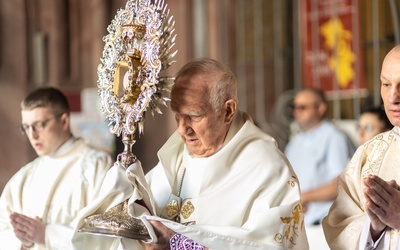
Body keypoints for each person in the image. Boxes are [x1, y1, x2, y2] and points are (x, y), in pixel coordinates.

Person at [72, 58, 309, 249]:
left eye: (194, 116)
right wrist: (128, 195)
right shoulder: (177, 155)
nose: (182, 129)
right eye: (177, 116)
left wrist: (179, 243)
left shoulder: (267, 167)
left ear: (227, 111)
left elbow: (272, 246)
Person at [0, 87, 113, 249]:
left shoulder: (96, 166)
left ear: (64, 121)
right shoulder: (24, 177)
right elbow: (2, 229)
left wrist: (46, 235)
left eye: (40, 125)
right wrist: (21, 241)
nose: (32, 135)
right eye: (26, 127)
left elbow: (108, 235)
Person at [322, 44, 400, 249]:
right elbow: (339, 224)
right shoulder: (369, 152)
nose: (393, 97)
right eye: (386, 84)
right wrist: (373, 227)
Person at [285, 87, 355, 226]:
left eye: (303, 107)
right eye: (295, 107)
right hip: (298, 223)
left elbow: (340, 185)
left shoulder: (334, 137)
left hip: (325, 222)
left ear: (320, 108)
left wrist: (302, 197)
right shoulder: (294, 143)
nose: (296, 111)